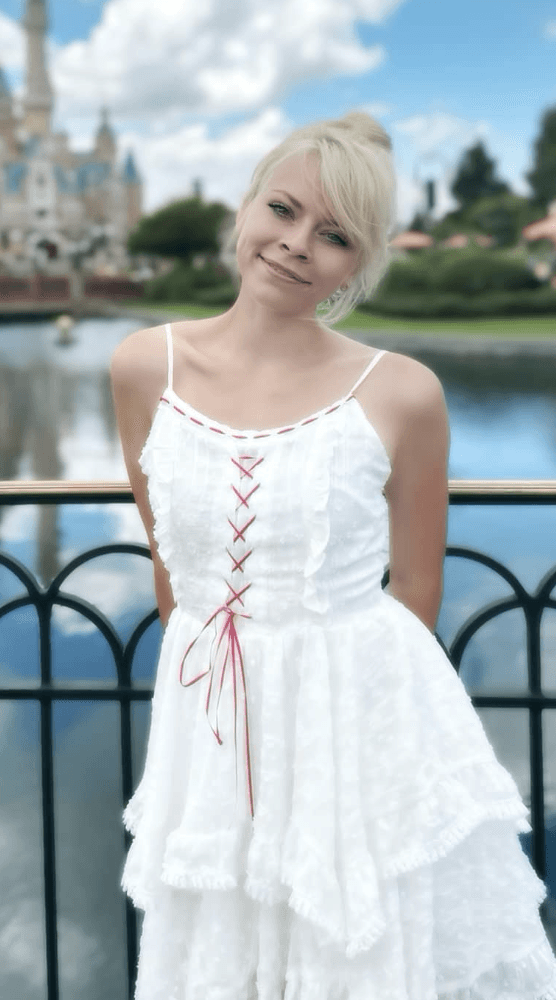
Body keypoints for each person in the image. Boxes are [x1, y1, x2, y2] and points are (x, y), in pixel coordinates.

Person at [110, 112, 556, 1000]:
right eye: (282, 208)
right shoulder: (139, 366)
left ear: (360, 263)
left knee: (351, 945)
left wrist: (350, 735)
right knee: (226, 941)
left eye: (335, 235)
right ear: (244, 206)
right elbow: (170, 561)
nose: (295, 244)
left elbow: (418, 588)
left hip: (354, 718)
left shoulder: (403, 392)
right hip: (208, 720)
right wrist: (229, 707)